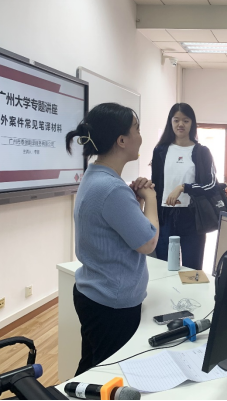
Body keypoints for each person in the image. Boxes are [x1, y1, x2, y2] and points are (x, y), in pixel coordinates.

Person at [65, 103, 159, 375]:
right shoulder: (112, 188)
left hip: (95, 294)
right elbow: (147, 243)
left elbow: (124, 231)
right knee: (108, 376)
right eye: (136, 129)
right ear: (121, 140)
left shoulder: (96, 175)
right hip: (111, 303)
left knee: (92, 368)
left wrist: (135, 203)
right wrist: (151, 199)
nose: (140, 136)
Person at [151, 103, 217, 270]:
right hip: (165, 216)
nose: (180, 124)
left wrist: (184, 187)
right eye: (176, 120)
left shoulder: (202, 151)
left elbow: (211, 185)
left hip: (193, 217)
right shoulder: (160, 151)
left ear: (192, 123)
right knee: (164, 267)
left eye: (186, 120)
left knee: (192, 270)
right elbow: (155, 185)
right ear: (170, 122)